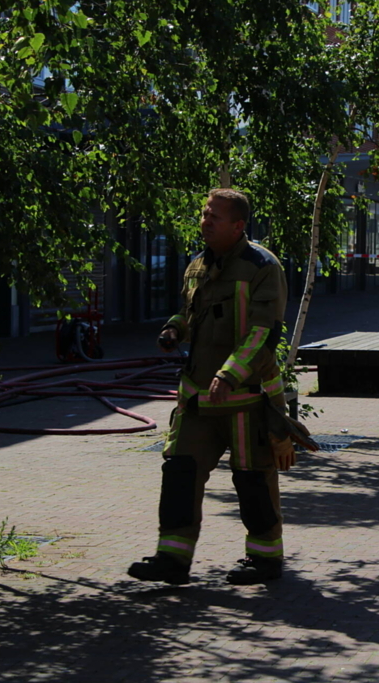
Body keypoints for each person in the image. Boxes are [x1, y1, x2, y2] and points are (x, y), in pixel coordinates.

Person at [129, 188, 303, 586]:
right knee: (179, 473)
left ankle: (264, 560)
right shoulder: (196, 267)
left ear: (238, 225)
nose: (205, 221)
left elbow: (264, 333)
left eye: (215, 217)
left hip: (245, 401)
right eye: (205, 214)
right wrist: (175, 328)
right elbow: (190, 312)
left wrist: (228, 374)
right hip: (196, 401)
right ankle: (171, 560)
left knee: (253, 480)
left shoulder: (263, 266)